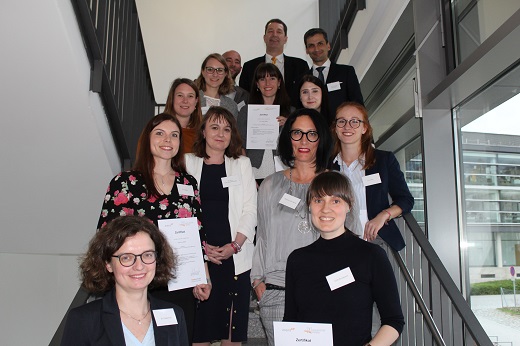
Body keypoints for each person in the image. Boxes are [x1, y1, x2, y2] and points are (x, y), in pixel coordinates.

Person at [97, 113, 210, 343]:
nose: (167, 139)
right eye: (160, 133)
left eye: (174, 135)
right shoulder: (125, 183)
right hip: (137, 280)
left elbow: (198, 232)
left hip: (181, 280)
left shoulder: (188, 183)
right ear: (147, 139)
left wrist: (204, 275)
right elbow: (106, 236)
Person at [284, 171, 405, 346]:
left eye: (335, 201)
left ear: (349, 205)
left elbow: (394, 321)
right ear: (309, 206)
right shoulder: (297, 260)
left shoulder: (371, 255)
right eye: (318, 200)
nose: (326, 209)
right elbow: (291, 321)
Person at [250, 108, 332, 346]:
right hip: (276, 292)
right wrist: (257, 281)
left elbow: (349, 241)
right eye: (297, 133)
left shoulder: (335, 184)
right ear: (288, 138)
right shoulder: (269, 184)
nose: (304, 141)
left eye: (311, 134)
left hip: (324, 291)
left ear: (321, 138)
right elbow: (262, 237)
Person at [185, 106, 257, 346]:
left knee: (231, 337)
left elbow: (250, 210)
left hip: (234, 258)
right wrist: (199, 250)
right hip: (199, 259)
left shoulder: (242, 164)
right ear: (203, 131)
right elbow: (182, 212)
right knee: (199, 334)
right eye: (214, 127)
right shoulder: (187, 163)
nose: (220, 133)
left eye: (226, 129)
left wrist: (234, 245)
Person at [61, 216, 189, 346]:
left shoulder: (174, 314)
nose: (139, 266)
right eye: (126, 257)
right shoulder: (84, 319)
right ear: (108, 264)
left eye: (147, 255)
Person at [330, 102, 414, 252]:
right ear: (335, 128)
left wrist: (383, 216)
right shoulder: (328, 166)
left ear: (364, 128)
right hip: (336, 240)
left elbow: (406, 200)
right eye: (341, 121)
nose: (347, 126)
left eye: (355, 121)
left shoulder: (383, 160)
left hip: (373, 239)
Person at [238, 63, 292, 183]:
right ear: (257, 84)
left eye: (272, 78)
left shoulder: (291, 113)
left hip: (283, 170)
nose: (267, 83)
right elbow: (239, 145)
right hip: (254, 170)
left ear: (279, 83)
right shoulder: (246, 111)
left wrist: (290, 125)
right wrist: (246, 173)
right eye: (262, 79)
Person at [239, 19, 309, 107]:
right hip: (259, 117)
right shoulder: (249, 67)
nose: (274, 35)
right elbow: (245, 97)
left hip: (292, 116)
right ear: (264, 38)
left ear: (285, 39)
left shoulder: (301, 66)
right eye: (270, 31)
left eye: (279, 32)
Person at [304, 28, 364, 116]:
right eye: (311, 45)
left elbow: (358, 105)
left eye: (320, 44)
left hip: (340, 127)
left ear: (328, 46)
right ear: (307, 50)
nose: (316, 49)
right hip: (314, 128)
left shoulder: (346, 72)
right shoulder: (302, 79)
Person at [164, 78, 203, 153]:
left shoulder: (203, 135)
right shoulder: (157, 130)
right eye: (180, 95)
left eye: (190, 96)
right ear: (172, 99)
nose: (185, 101)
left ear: (196, 101)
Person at [195, 53, 239, 119]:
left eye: (220, 70)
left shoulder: (232, 106)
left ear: (226, 74)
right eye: (210, 69)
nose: (215, 74)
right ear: (203, 72)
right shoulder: (193, 100)